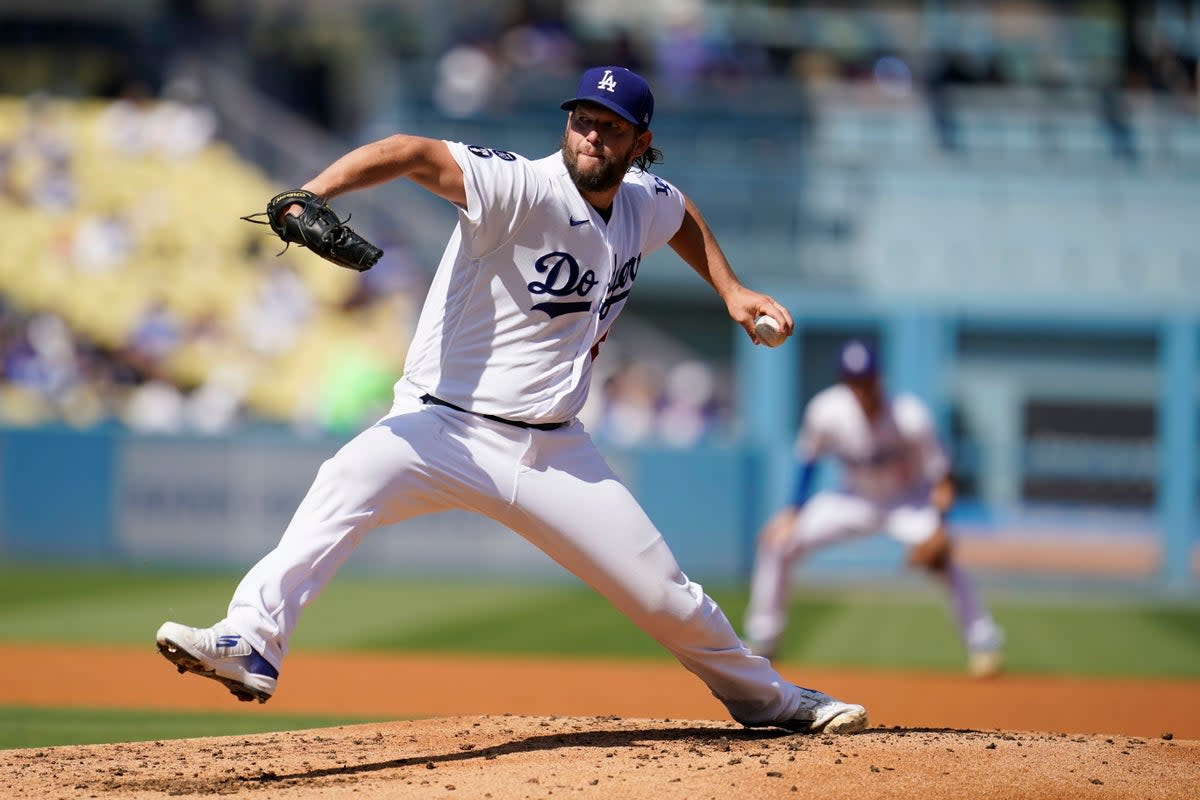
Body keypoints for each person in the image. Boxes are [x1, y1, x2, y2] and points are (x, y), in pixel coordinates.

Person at [155, 66, 868, 735]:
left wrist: (732, 290)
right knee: (343, 480)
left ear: (640, 144)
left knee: (666, 597)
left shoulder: (642, 203)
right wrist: (310, 194)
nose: (591, 135)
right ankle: (251, 640)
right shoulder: (519, 187)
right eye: (583, 119)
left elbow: (680, 215)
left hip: (556, 448)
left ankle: (768, 700)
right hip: (442, 426)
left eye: (611, 127)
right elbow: (408, 151)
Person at [742, 338, 1005, 678]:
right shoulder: (827, 410)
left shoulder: (909, 415)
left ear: (878, 378)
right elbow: (808, 462)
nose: (861, 388)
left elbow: (941, 477)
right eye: (853, 381)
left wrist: (940, 524)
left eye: (865, 379)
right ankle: (764, 640)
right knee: (777, 543)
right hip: (851, 500)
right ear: (844, 382)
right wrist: (793, 511)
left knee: (945, 560)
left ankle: (983, 643)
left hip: (906, 502)